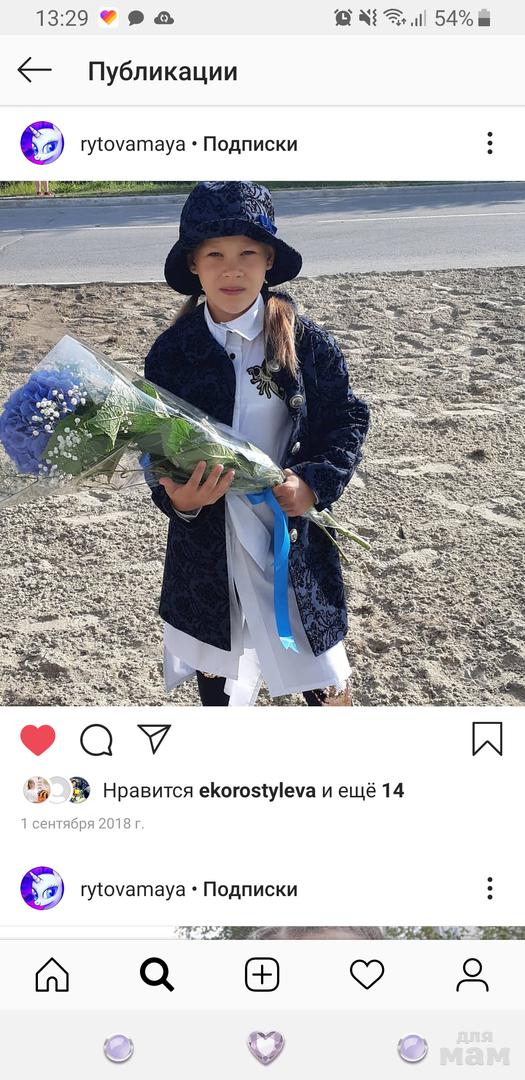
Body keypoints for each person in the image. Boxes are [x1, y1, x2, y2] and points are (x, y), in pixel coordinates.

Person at [144, 181, 370, 707]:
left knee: (320, 672)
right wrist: (179, 500)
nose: (232, 270)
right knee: (219, 676)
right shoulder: (172, 353)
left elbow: (348, 417)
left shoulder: (304, 342)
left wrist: (313, 483)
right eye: (215, 255)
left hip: (288, 530)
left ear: (269, 260)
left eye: (248, 253)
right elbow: (153, 444)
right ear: (193, 265)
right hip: (208, 542)